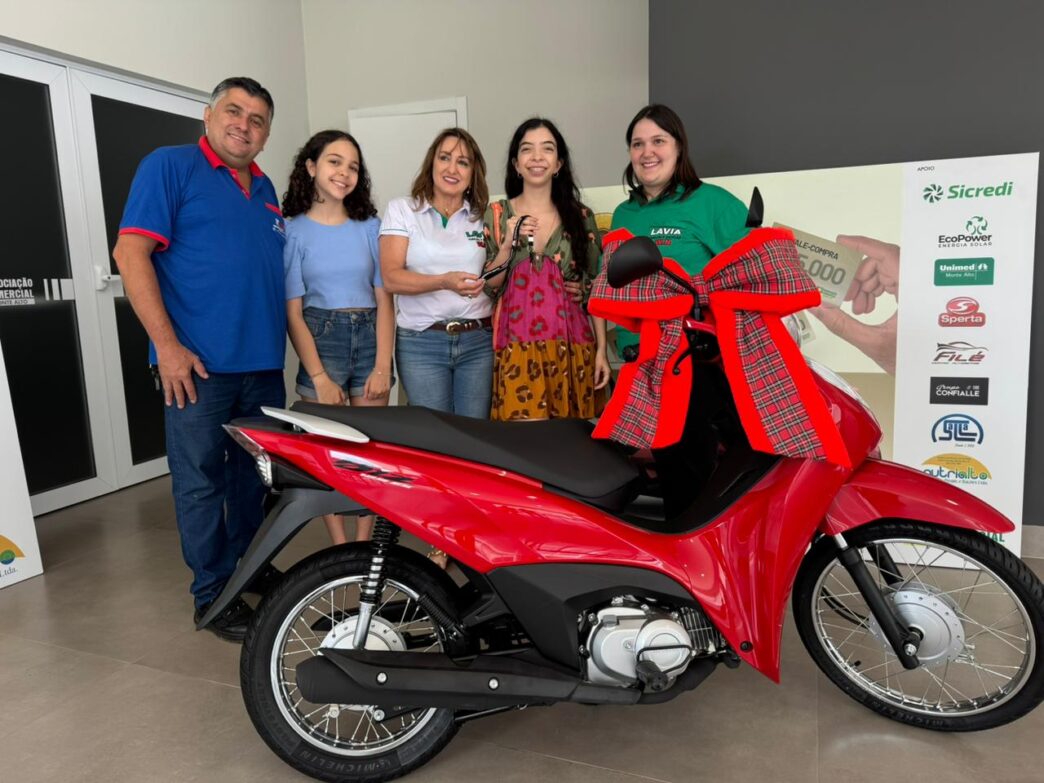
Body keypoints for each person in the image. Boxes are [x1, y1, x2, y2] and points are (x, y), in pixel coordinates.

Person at [112, 77, 285, 642]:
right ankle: (213, 594)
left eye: (257, 120)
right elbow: (130, 253)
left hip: (262, 367)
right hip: (197, 369)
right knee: (201, 482)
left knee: (254, 480)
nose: (244, 125)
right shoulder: (170, 166)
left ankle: (248, 569)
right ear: (208, 116)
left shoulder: (266, 190)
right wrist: (167, 348)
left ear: (266, 135)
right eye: (234, 111)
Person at [281, 130, 393, 545]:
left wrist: (382, 366)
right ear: (311, 167)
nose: (344, 172)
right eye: (334, 161)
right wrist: (319, 377)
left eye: (353, 166)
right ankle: (340, 547)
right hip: (320, 339)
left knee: (370, 453)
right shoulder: (291, 231)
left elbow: (385, 301)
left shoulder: (371, 227)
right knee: (327, 453)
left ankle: (363, 544)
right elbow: (293, 313)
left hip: (370, 336)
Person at [481, 118, 610, 420]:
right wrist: (507, 245)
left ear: (559, 163)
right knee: (523, 442)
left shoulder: (581, 216)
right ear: (516, 164)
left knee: (571, 441)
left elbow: (597, 289)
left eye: (547, 149)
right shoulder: (497, 214)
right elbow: (490, 286)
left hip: (572, 347)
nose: (537, 157)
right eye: (527, 149)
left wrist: (602, 351)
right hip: (516, 348)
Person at [608, 104, 750, 359]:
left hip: (694, 358)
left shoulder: (714, 203)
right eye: (638, 144)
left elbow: (753, 278)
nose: (647, 152)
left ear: (679, 147)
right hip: (633, 359)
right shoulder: (622, 214)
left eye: (658, 141)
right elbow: (609, 287)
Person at [379, 128, 492, 418]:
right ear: (432, 162)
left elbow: (496, 276)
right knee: (434, 434)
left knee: (475, 434)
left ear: (473, 173)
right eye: (445, 158)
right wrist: (444, 281)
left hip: (478, 342)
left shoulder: (484, 217)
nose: (452, 169)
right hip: (421, 342)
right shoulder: (403, 210)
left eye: (463, 162)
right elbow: (391, 277)